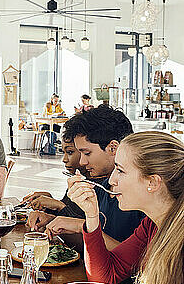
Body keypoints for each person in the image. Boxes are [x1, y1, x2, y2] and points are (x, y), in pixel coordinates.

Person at [62, 131, 184, 284]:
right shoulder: (153, 224)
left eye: (121, 170)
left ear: (153, 182)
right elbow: (105, 276)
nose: (111, 180)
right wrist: (91, 216)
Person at [30, 105, 144, 246]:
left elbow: (132, 260)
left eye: (87, 153)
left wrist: (80, 226)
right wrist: (55, 222)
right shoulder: (103, 188)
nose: (82, 162)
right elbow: (93, 248)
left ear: (113, 148)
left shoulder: (142, 196)